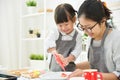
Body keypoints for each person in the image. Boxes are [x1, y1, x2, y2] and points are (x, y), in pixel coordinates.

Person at [68, 0, 120, 80]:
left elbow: (118, 74)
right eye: (82, 27)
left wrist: (89, 75)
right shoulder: (91, 38)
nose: (86, 32)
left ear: (103, 21)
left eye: (89, 27)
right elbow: (93, 64)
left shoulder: (116, 38)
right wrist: (72, 66)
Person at [45, 3, 82, 72]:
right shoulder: (55, 32)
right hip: (54, 68)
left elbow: (77, 51)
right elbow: (48, 42)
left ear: (74, 19)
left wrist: (68, 59)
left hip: (70, 69)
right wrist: (55, 53)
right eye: (60, 25)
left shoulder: (78, 36)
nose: (63, 28)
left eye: (66, 24)